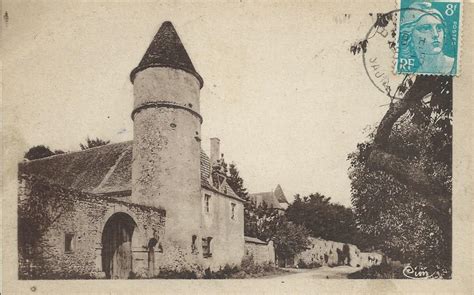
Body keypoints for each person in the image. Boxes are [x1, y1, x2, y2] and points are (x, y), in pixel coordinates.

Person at [399, 2, 455, 75]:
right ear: (409, 36)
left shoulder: (454, 65)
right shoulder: (414, 74)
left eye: (439, 28)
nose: (435, 34)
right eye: (425, 28)